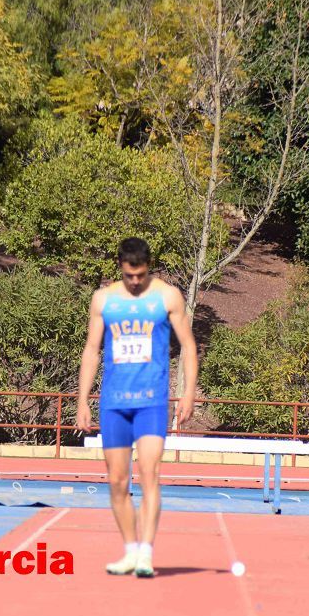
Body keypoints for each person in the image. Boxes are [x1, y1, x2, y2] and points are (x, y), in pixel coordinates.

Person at [76, 237, 197, 578]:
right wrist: (82, 400)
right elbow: (92, 350)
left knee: (150, 475)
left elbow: (188, 346)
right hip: (114, 403)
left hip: (151, 403)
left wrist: (188, 394)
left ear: (148, 268)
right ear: (120, 267)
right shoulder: (103, 299)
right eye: (129, 276)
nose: (135, 282)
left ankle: (146, 553)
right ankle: (129, 551)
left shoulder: (167, 296)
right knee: (116, 482)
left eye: (140, 275)